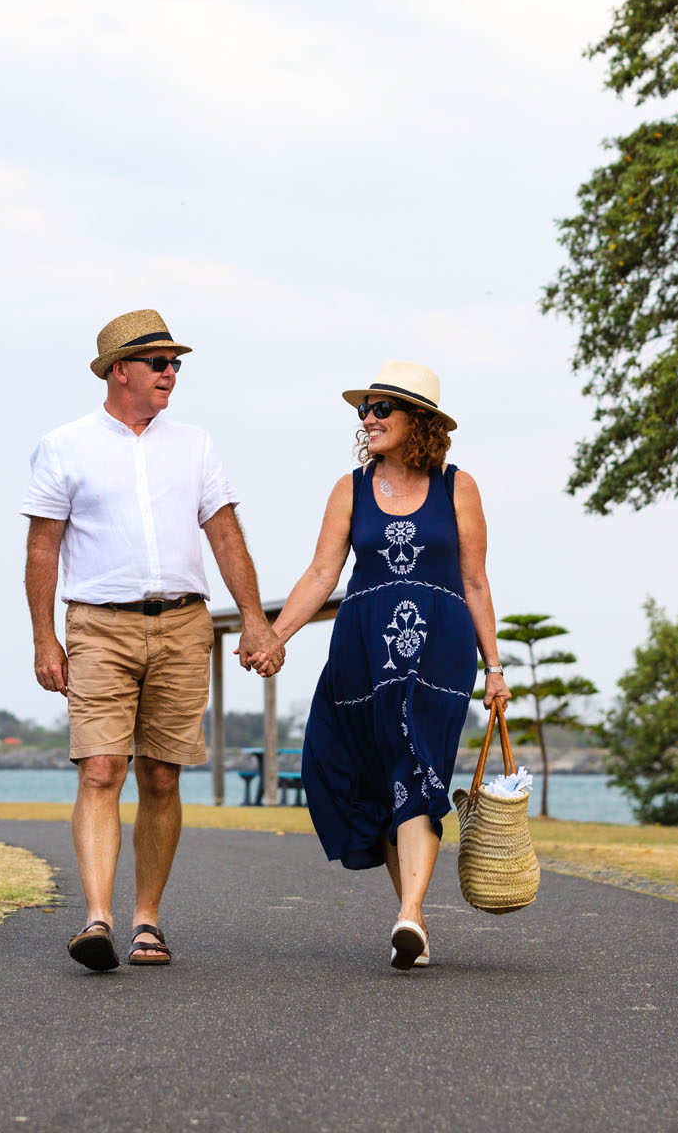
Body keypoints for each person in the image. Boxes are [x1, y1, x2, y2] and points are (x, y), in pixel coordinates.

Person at [22, 309, 282, 972]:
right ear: (120, 371)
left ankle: (147, 922)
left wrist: (254, 617)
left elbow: (224, 534)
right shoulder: (64, 445)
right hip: (98, 625)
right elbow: (42, 547)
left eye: (176, 364)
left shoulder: (194, 444)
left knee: (163, 775)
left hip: (183, 623)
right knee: (102, 767)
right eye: (159, 363)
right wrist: (44, 639)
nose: (171, 373)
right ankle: (98, 919)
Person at [251, 361, 510, 970]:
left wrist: (495, 666)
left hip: (439, 653)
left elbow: (474, 581)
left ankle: (412, 915)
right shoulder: (350, 487)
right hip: (363, 651)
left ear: (416, 419)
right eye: (363, 410)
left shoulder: (458, 487)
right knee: (379, 770)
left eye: (380, 408)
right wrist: (275, 636)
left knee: (415, 760)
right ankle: (410, 919)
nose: (367, 419)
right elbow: (322, 574)